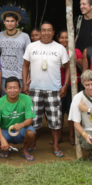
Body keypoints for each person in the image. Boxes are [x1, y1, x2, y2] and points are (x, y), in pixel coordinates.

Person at [22, 22, 70, 157]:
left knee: (55, 120)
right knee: (34, 119)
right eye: (44, 30)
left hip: (54, 90)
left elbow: (68, 68)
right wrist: (25, 84)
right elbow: (25, 66)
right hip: (34, 89)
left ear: (53, 32)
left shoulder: (60, 48)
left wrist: (65, 85)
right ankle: (32, 143)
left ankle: (55, 145)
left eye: (49, 30)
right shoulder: (31, 47)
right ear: (40, 32)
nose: (46, 33)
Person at [0, 77, 36, 161]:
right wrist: (2, 139)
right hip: (5, 130)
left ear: (20, 89)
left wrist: (21, 124)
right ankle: (5, 149)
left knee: (31, 132)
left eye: (15, 87)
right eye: (9, 88)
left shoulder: (26, 99)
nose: (12, 90)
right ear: (5, 89)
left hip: (21, 129)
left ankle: (25, 150)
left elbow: (30, 119)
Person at [57, 29, 83, 145]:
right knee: (59, 112)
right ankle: (59, 136)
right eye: (62, 37)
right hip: (58, 85)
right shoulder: (55, 50)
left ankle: (72, 136)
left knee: (71, 111)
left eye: (67, 37)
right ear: (58, 39)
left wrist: (76, 61)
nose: (64, 40)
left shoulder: (76, 51)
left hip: (73, 86)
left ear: (72, 39)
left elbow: (82, 68)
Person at [0, 11, 31, 84]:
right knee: (4, 95)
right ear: (4, 22)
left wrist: (29, 73)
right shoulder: (0, 35)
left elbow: (29, 57)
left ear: (17, 22)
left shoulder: (25, 36)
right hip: (3, 76)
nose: (10, 23)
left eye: (12, 21)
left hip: (20, 76)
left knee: (20, 95)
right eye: (7, 21)